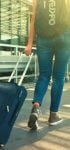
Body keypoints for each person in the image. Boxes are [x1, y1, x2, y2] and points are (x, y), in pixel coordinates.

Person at [24, 0, 70, 130]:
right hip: (64, 37)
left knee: (44, 75)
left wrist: (29, 43)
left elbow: (33, 20)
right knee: (59, 77)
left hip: (43, 38)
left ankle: (36, 106)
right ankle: (53, 115)